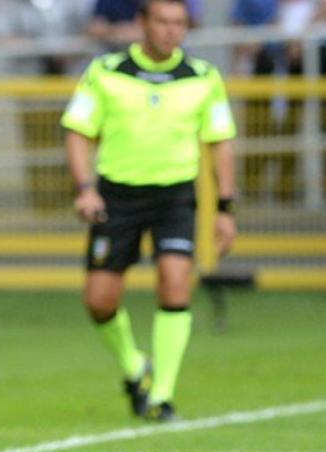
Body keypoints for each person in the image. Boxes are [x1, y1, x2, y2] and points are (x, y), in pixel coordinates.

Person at [61, 0, 237, 422]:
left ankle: (162, 397)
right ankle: (135, 369)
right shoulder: (105, 72)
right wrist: (85, 188)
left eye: (180, 23)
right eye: (163, 21)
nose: (172, 30)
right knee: (99, 302)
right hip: (116, 196)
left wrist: (225, 208)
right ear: (141, 23)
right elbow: (77, 130)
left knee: (175, 285)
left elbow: (220, 141)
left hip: (175, 196)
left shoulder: (203, 77)